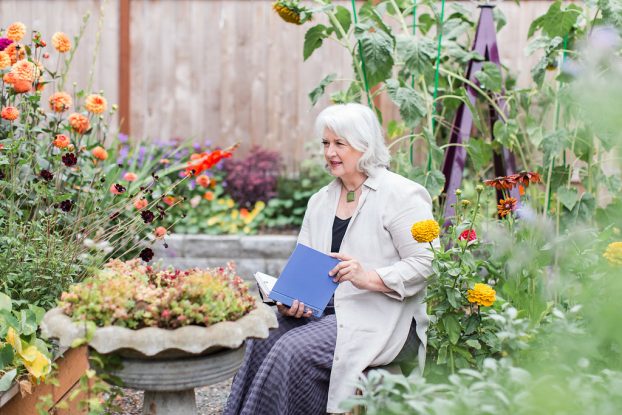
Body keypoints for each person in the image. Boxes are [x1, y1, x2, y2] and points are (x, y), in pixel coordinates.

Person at [224, 103, 436, 415]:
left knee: (293, 351)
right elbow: (304, 264)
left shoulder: (401, 195)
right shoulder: (320, 201)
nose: (329, 152)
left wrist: (368, 277)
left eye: (340, 144)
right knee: (262, 335)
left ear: (364, 146)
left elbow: (425, 263)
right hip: (321, 310)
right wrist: (288, 299)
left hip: (380, 315)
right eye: (326, 143)